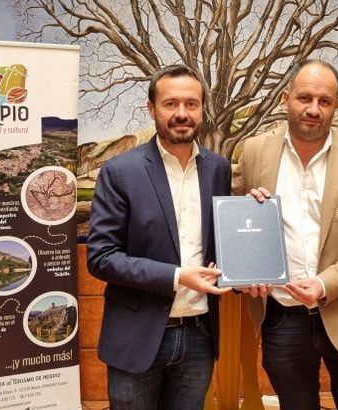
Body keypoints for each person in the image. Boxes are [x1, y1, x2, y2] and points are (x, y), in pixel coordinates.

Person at [232, 59, 338, 409]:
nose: (313, 109)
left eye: (324, 101)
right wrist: (247, 264)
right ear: (286, 99)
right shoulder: (256, 151)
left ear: (337, 104)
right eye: (304, 98)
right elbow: (235, 222)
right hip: (281, 317)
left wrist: (324, 284)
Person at [87, 64, 232, 410]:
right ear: (152, 108)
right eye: (170, 104)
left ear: (202, 110)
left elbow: (224, 243)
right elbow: (101, 257)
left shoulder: (218, 169)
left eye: (191, 104)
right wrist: (178, 276)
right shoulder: (120, 172)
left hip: (199, 335)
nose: (182, 114)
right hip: (137, 337)